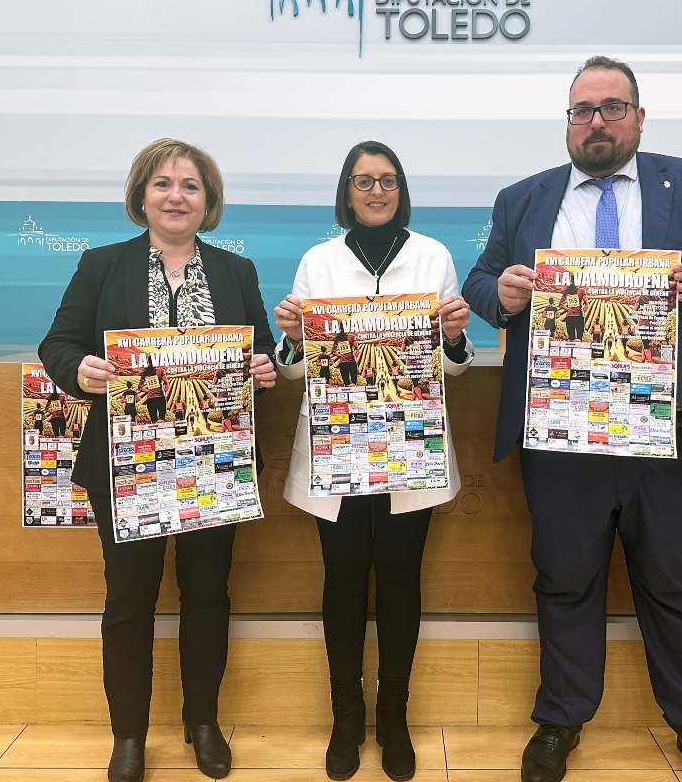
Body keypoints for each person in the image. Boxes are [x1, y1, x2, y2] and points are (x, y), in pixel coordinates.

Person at [462, 57, 682, 782]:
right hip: (561, 428)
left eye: (610, 107)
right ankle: (559, 722)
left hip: (666, 430)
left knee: (673, 579)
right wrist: (501, 294)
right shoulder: (522, 199)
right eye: (581, 110)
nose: (595, 122)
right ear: (566, 121)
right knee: (563, 579)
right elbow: (480, 282)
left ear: (638, 116)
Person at [38, 137, 277, 782]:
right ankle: (129, 737)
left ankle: (203, 723)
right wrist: (77, 369)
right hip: (126, 464)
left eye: (191, 186)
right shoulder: (101, 265)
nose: (177, 196)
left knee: (207, 599)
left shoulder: (237, 273)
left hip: (212, 463)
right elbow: (57, 343)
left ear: (209, 202)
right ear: (141, 196)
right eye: (163, 183)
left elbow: (264, 353)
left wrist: (263, 368)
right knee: (129, 602)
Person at [273, 140, 473, 782]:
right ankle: (345, 714)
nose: (376, 190)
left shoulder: (433, 255)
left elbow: (448, 368)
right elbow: (295, 369)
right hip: (336, 454)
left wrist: (454, 336)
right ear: (347, 190)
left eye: (387, 180)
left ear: (401, 188)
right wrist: (292, 337)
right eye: (363, 180)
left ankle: (393, 715)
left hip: (409, 450)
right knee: (341, 585)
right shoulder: (318, 260)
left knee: (400, 584)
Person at [140, 356, 167, 423]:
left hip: (150, 399)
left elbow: (140, 387)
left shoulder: (145, 372)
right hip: (160, 397)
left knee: (154, 421)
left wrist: (149, 391)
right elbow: (166, 383)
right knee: (162, 420)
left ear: (148, 361)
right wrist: (165, 391)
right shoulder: (161, 370)